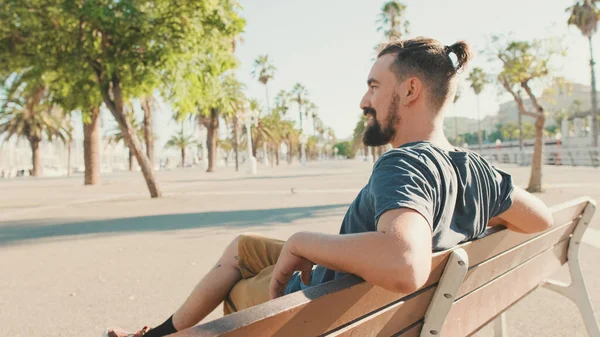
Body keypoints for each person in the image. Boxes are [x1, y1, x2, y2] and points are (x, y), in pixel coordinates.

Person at [105, 37, 553, 337]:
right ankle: (160, 332)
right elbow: (543, 219)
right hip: (372, 302)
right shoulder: (478, 171)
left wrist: (305, 241)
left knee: (241, 278)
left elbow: (405, 265)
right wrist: (461, 210)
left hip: (318, 308)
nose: (364, 101)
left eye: (375, 86)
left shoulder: (403, 164)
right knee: (243, 247)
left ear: (411, 90)